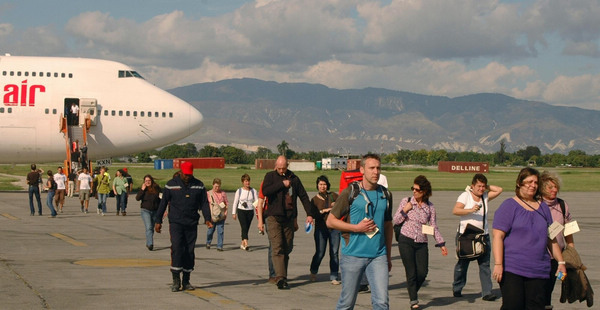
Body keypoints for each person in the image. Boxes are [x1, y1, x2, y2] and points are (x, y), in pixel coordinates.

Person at [492, 167, 567, 309]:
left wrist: (561, 261)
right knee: (513, 306)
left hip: (539, 270)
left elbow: (551, 239)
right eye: (529, 182)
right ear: (519, 183)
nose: (533, 185)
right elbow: (498, 236)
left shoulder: (544, 208)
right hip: (513, 269)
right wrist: (498, 264)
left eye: (536, 182)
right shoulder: (509, 206)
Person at [326, 154, 393, 310]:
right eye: (371, 168)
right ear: (362, 170)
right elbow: (331, 221)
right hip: (353, 255)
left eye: (378, 168)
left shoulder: (386, 195)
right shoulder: (351, 192)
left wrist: (388, 256)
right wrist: (356, 228)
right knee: (347, 303)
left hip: (378, 256)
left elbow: (388, 226)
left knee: (382, 302)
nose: (376, 172)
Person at [154, 162, 211, 292]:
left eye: (190, 175)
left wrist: (207, 218)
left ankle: (186, 280)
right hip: (176, 223)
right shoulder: (171, 184)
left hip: (191, 223)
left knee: (189, 251)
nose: (187, 177)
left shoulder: (199, 185)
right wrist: (158, 221)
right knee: (177, 248)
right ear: (180, 172)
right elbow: (163, 203)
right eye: (185, 175)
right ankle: (175, 280)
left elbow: (204, 203)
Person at [394, 175, 448, 309]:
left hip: (422, 242)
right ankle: (414, 301)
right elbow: (395, 221)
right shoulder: (406, 201)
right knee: (411, 272)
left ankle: (412, 291)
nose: (414, 191)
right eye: (413, 188)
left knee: (422, 272)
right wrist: (404, 210)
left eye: (417, 189)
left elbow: (433, 226)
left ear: (424, 192)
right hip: (406, 240)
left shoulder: (430, 207)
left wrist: (441, 243)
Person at [261, 155, 312, 290]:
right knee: (277, 247)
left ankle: (281, 273)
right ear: (275, 166)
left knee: (287, 247)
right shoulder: (270, 176)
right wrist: (281, 184)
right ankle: (281, 278)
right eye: (279, 168)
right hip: (273, 217)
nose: (281, 171)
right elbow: (265, 191)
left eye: (284, 168)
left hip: (288, 218)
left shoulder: (294, 179)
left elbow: (303, 196)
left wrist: (309, 214)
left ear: (287, 166)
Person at [451, 174, 503, 301]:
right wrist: (470, 210)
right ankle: (457, 287)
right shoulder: (465, 196)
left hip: (482, 235)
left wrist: (486, 187)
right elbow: (456, 210)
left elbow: (499, 190)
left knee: (484, 264)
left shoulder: (485, 196)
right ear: (472, 186)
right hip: (466, 235)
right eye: (478, 186)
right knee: (462, 264)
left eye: (483, 186)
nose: (481, 189)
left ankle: (486, 292)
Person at [539, 170, 576, 309]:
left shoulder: (562, 205)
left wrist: (571, 247)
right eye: (550, 187)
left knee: (549, 289)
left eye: (556, 187)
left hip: (556, 257)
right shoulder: (536, 204)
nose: (554, 190)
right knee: (538, 290)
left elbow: (569, 227)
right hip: (539, 256)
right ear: (542, 188)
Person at [309, 175, 341, 285]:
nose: (323, 186)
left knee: (334, 253)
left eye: (324, 184)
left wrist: (335, 205)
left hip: (334, 228)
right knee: (320, 252)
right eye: (320, 184)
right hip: (321, 229)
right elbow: (313, 214)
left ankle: (334, 276)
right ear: (317, 186)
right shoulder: (314, 200)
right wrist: (324, 210)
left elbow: (343, 205)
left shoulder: (333, 196)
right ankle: (313, 271)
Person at [256, 181, 277, 283]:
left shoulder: (288, 180)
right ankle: (273, 274)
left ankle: (281, 272)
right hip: (269, 216)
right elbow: (260, 203)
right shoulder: (266, 182)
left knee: (285, 246)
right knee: (273, 244)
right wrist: (260, 222)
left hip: (284, 217)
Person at [232, 174, 258, 251]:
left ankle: (242, 243)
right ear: (243, 182)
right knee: (244, 226)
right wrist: (234, 213)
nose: (247, 183)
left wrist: (258, 214)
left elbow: (256, 203)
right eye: (246, 181)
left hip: (250, 211)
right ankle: (246, 243)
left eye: (248, 181)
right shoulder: (239, 191)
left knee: (246, 228)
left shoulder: (253, 191)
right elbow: (235, 202)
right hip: (241, 211)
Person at [136, 174, 161, 251]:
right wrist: (142, 190)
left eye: (149, 180)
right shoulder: (143, 189)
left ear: (152, 181)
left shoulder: (157, 188)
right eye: (146, 181)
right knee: (149, 227)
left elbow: (161, 200)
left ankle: (148, 242)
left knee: (152, 228)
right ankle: (150, 244)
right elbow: (137, 198)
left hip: (155, 211)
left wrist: (163, 210)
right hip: (145, 210)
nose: (148, 182)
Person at [206, 178, 228, 251]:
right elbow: (205, 204)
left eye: (218, 186)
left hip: (221, 215)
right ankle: (208, 242)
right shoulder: (209, 193)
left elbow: (226, 203)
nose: (217, 188)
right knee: (210, 231)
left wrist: (226, 212)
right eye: (216, 186)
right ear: (213, 185)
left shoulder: (223, 193)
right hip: (212, 215)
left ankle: (219, 246)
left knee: (220, 231)